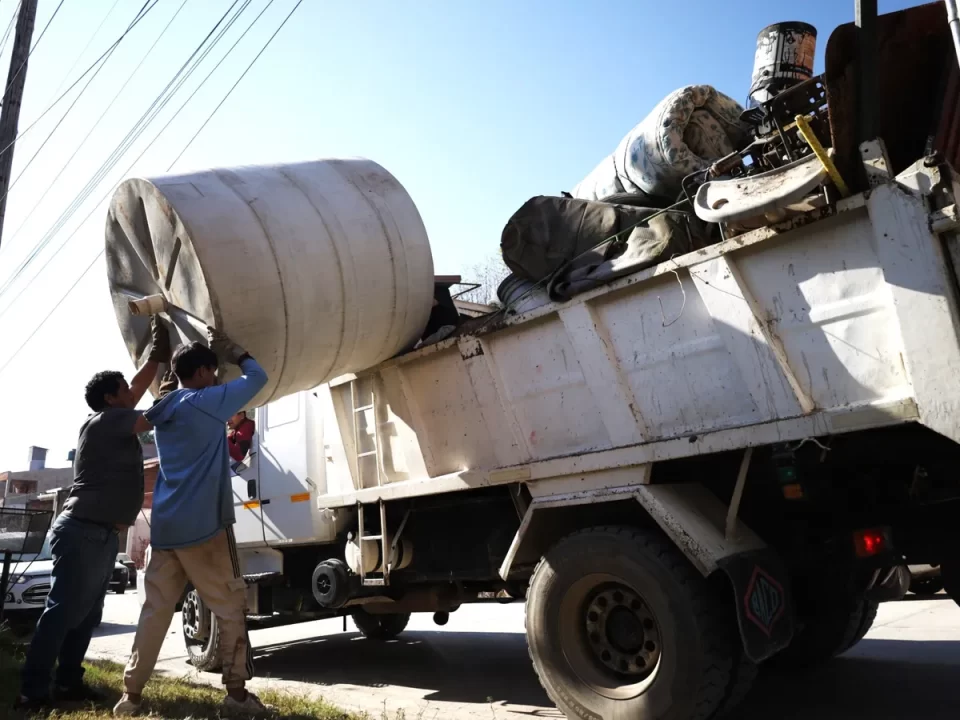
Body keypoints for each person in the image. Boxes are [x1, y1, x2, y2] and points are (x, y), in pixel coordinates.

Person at [16, 317, 170, 711]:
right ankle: (33, 690)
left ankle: (68, 683)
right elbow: (150, 415)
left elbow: (135, 389)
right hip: (84, 531)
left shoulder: (108, 418)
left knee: (85, 614)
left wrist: (156, 355)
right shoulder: (111, 420)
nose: (131, 393)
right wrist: (172, 392)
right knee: (64, 610)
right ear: (110, 398)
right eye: (124, 390)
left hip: (96, 533)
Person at [114, 327, 268, 717]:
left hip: (167, 528)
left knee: (154, 611)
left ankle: (130, 696)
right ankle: (237, 697)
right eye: (212, 371)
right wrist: (236, 352)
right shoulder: (208, 401)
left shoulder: (164, 407)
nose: (216, 378)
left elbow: (140, 418)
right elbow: (258, 378)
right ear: (201, 372)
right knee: (229, 607)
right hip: (207, 528)